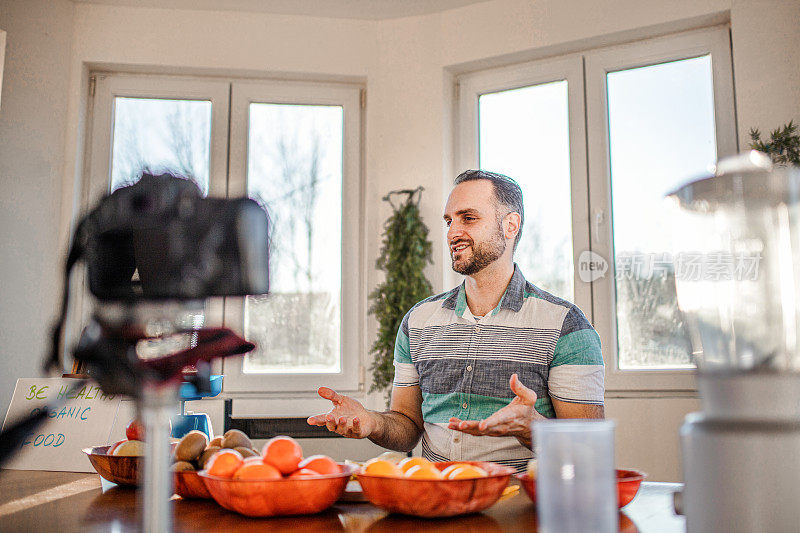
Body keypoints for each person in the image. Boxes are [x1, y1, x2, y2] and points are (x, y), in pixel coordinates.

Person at [307, 170, 604, 471]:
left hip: (520, 509)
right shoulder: (418, 322)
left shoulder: (565, 325)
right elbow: (407, 426)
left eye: (468, 218)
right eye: (449, 221)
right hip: (435, 503)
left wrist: (531, 427)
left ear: (510, 225)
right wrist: (372, 422)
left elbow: (589, 453)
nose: (452, 232)